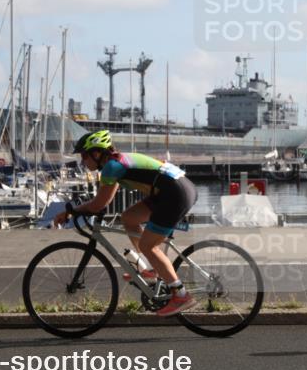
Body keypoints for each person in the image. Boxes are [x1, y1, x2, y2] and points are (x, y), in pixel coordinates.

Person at [53, 130, 199, 316]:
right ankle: (149, 270)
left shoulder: (112, 167)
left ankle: (181, 295)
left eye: (84, 156)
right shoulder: (115, 163)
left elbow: (99, 204)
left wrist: (71, 211)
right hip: (171, 190)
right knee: (129, 218)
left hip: (175, 194)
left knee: (148, 245)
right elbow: (103, 201)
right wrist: (82, 209)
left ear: (96, 153)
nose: (82, 162)